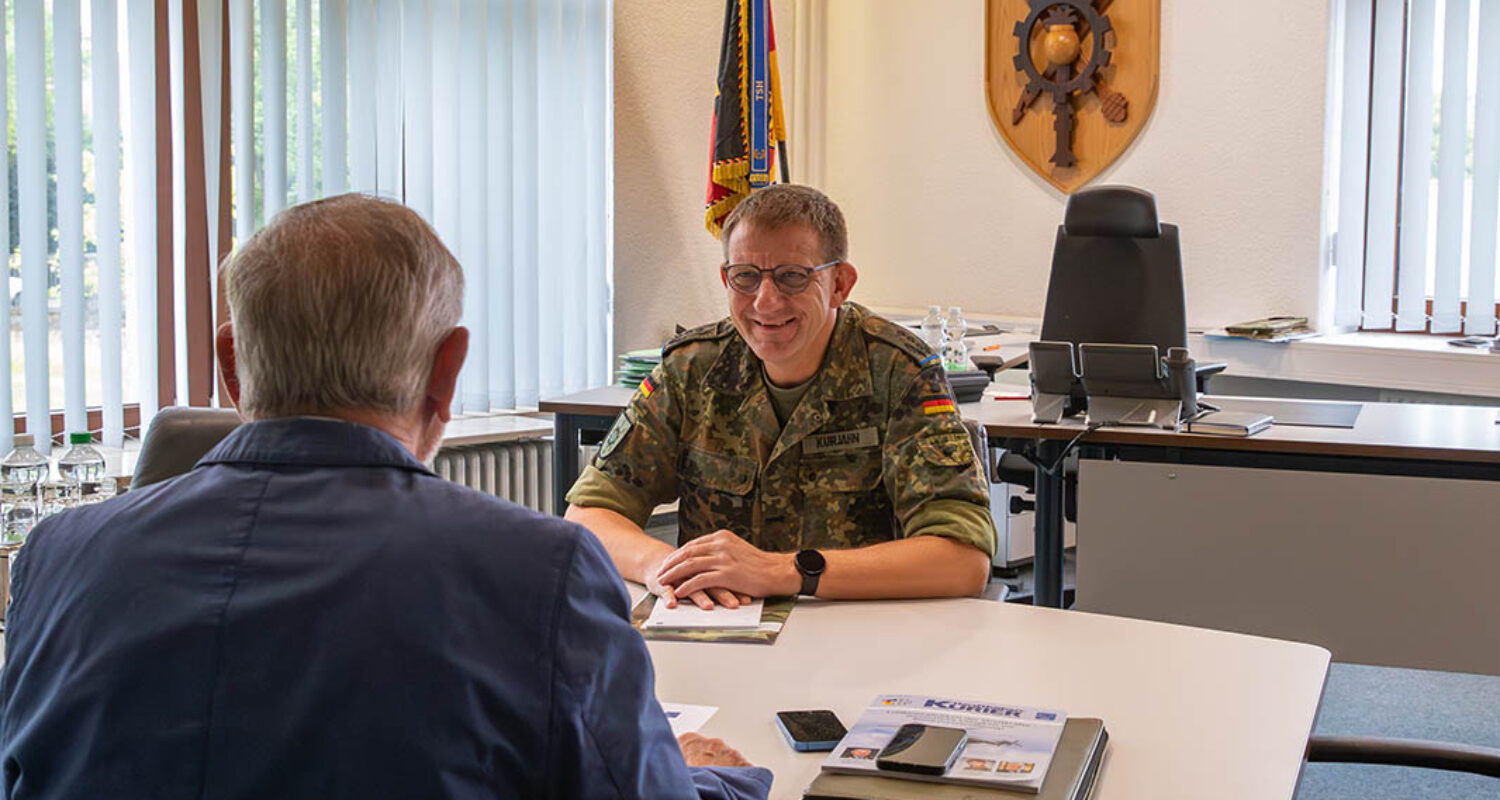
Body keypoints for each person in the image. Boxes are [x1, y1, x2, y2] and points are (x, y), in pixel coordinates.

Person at [0, 195, 771, 800]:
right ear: (447, 371)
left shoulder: (57, 556)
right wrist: (714, 780)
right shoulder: (539, 573)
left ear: (232, 366)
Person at [565, 184, 996, 610]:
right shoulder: (692, 368)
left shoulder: (898, 371)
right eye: (745, 277)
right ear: (726, 279)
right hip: (719, 629)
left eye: (792, 277)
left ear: (840, 283)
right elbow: (589, 514)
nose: (765, 302)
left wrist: (785, 571)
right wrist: (665, 566)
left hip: (859, 632)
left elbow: (962, 559)